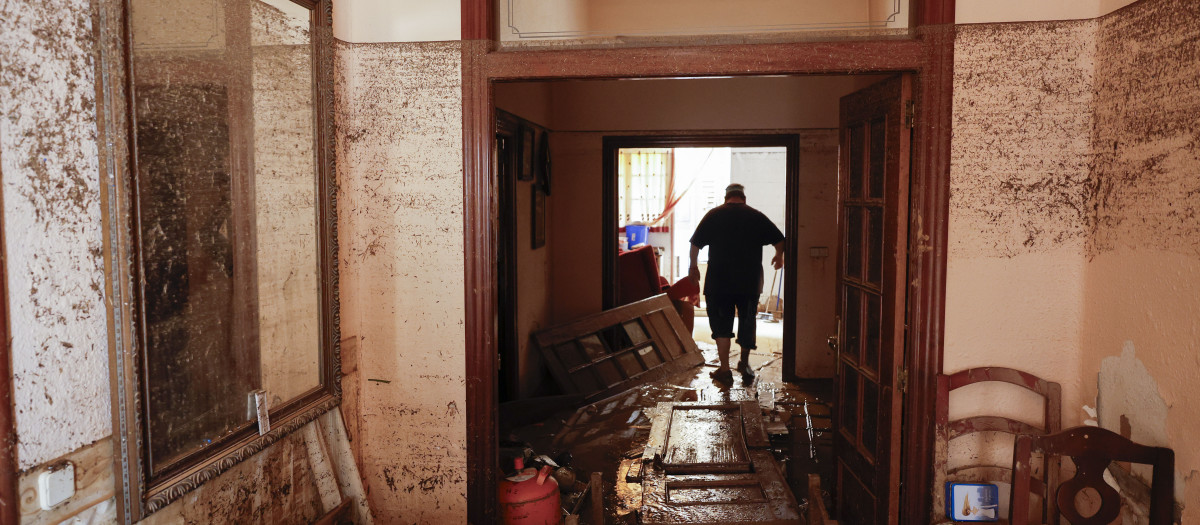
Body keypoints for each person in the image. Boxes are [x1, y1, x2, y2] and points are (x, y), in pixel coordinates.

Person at [688, 183, 784, 385]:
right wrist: (778, 256)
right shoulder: (755, 216)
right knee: (747, 321)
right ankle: (744, 363)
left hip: (719, 282)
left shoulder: (714, 215)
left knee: (721, 324)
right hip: (749, 282)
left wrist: (693, 267)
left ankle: (724, 369)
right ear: (743, 198)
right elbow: (780, 239)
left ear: (726, 198)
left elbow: (695, 244)